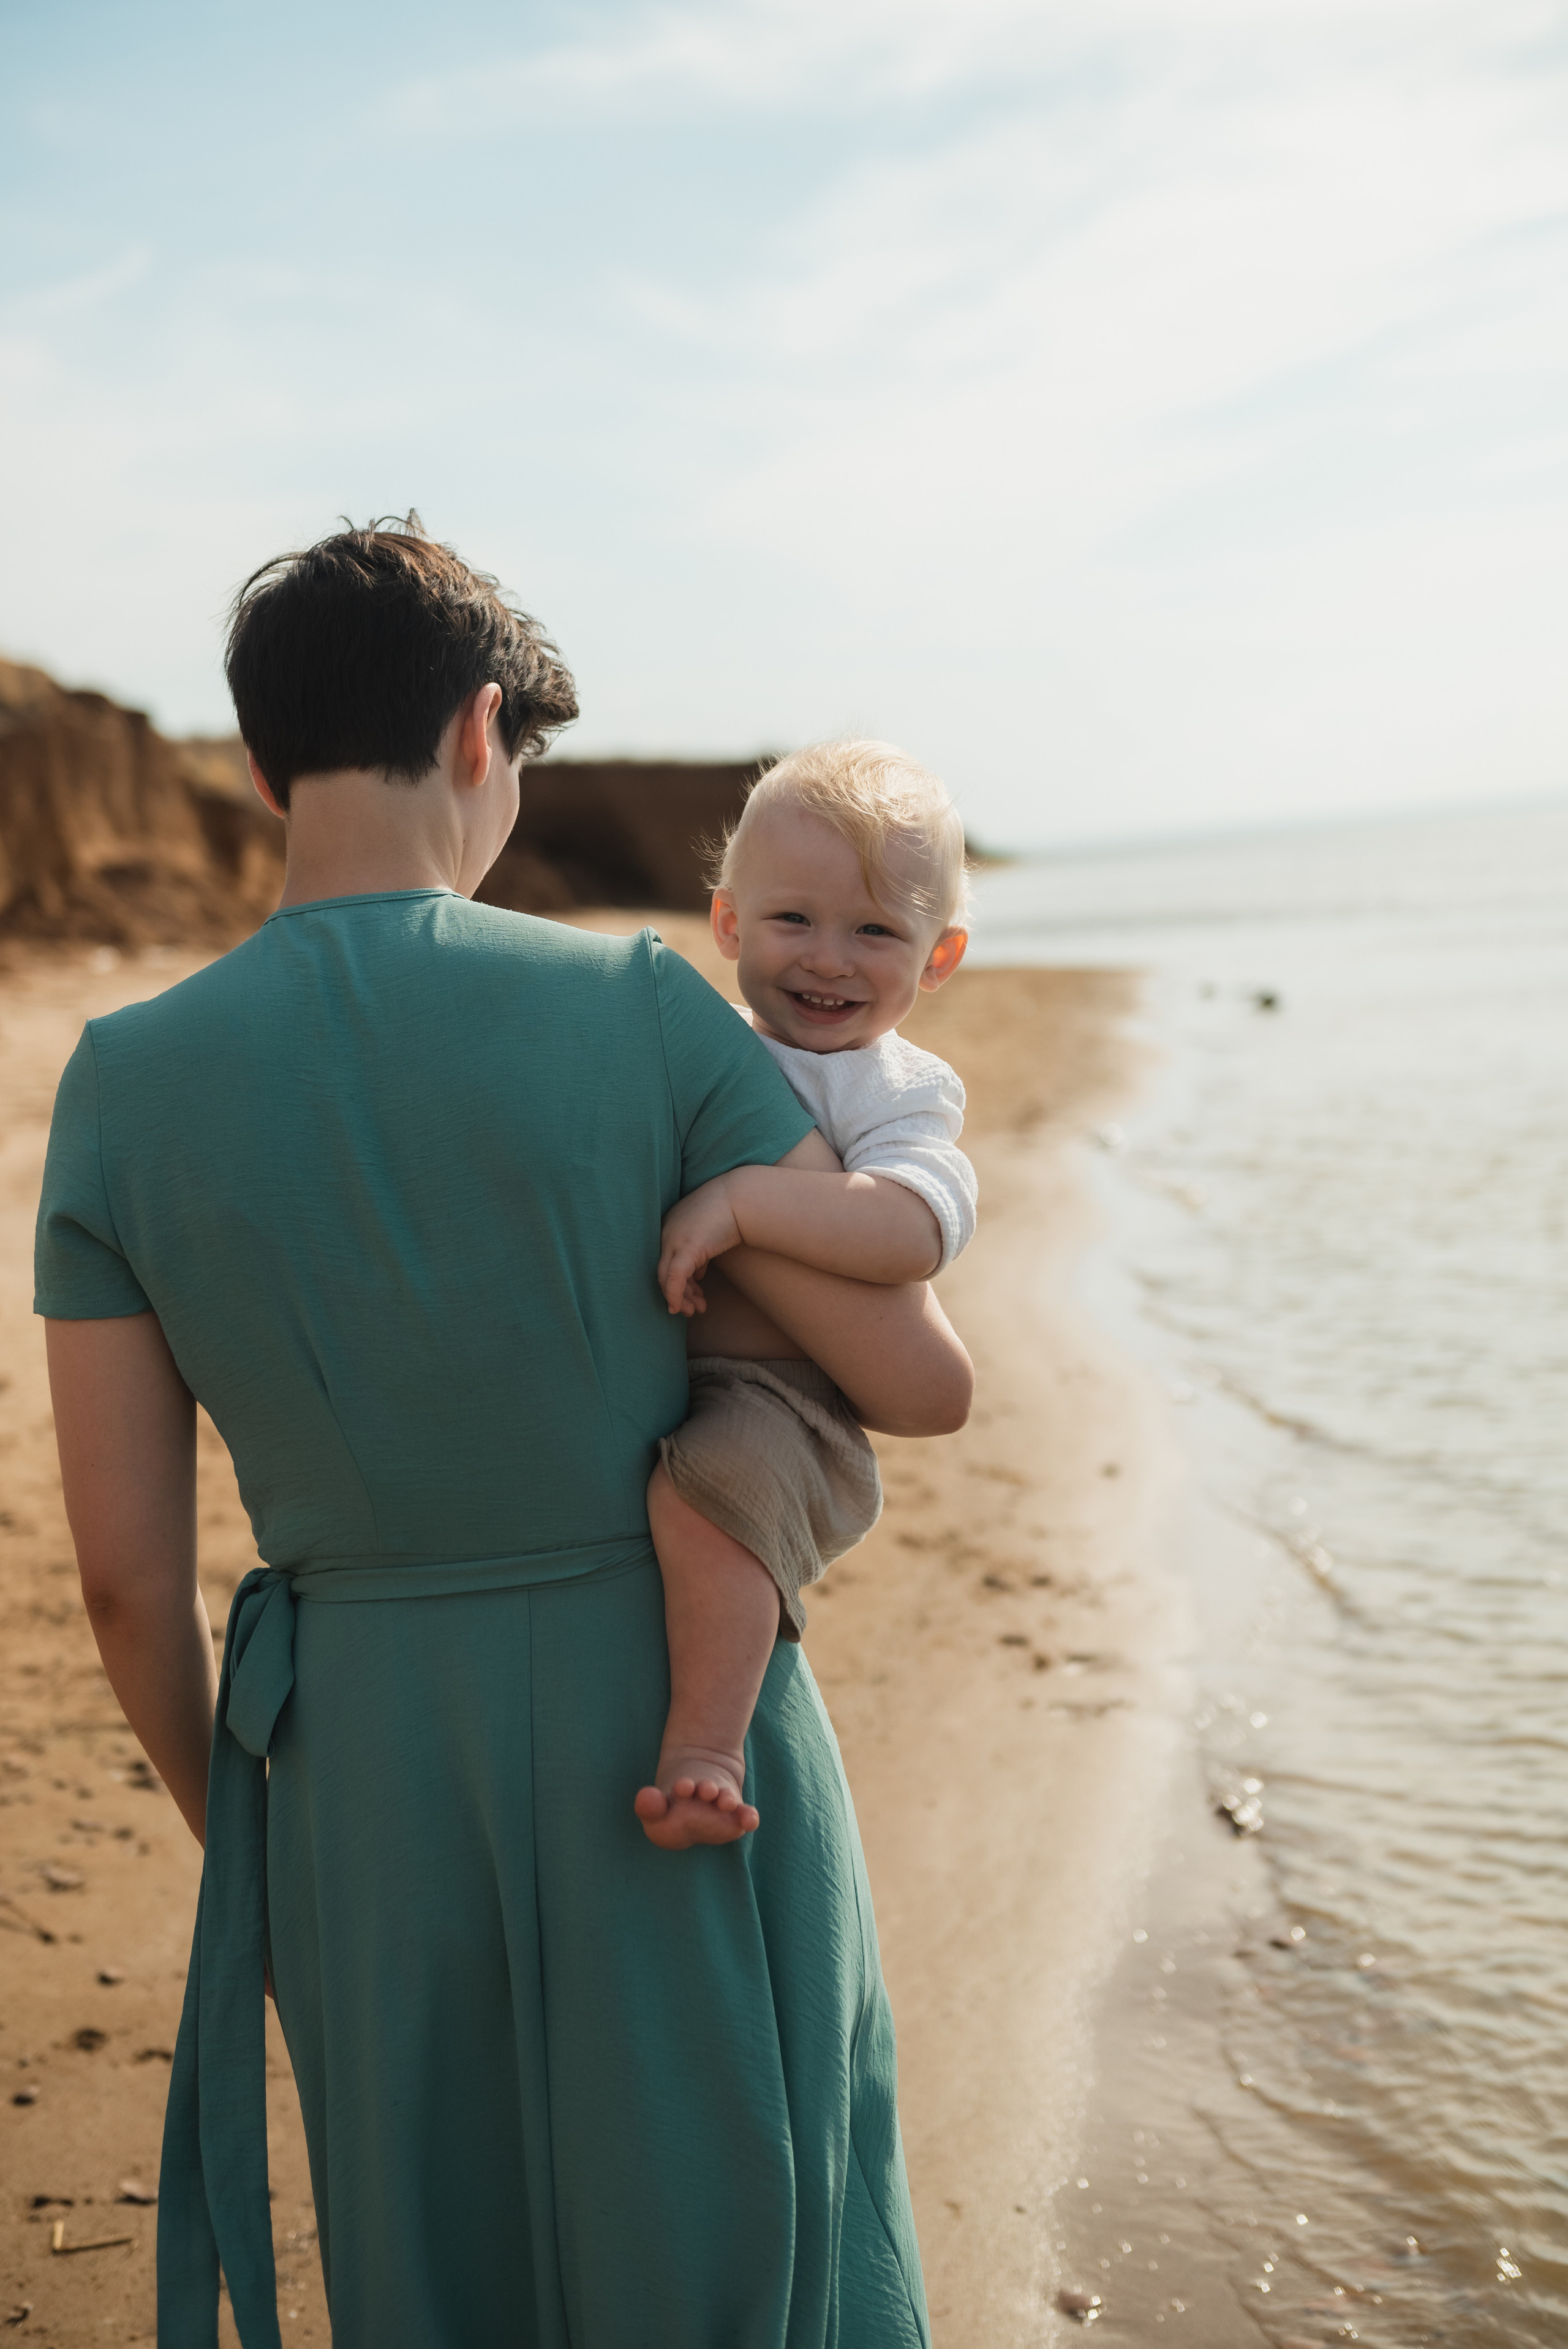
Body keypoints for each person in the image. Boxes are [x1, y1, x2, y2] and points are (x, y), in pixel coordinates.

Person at [34, 517, 973, 2349]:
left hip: (363, 1776)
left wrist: (266, 1855)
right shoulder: (634, 1006)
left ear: (255, 761)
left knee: (440, 2272)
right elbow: (919, 1378)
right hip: (676, 1737)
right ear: (482, 734)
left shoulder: (124, 1083)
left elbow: (127, 1582)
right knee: (742, 2245)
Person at [634, 741, 976, 1850]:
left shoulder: (897, 1091)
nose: (828, 960)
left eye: (876, 931)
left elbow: (911, 1231)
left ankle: (705, 1751)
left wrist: (745, 1204)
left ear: (939, 958)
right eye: (794, 921)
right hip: (674, 1369)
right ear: (728, 924)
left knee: (708, 1498)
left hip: (789, 1406)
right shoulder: (697, 1047)